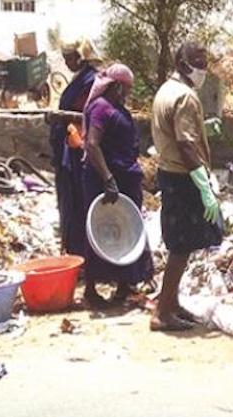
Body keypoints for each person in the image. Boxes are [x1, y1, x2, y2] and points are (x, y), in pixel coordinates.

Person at [150, 42, 223, 331]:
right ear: (182, 63)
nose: (203, 68)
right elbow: (186, 144)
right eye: (197, 62)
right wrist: (204, 187)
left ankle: (171, 304)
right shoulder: (185, 97)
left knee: (179, 245)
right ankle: (162, 313)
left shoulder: (166, 90)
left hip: (169, 173)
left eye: (205, 62)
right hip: (182, 178)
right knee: (181, 247)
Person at [82, 64, 154, 306]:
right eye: (127, 88)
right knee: (99, 232)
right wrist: (108, 178)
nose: (129, 93)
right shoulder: (102, 108)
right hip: (109, 179)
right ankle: (91, 290)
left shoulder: (115, 108)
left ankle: (124, 285)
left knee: (128, 229)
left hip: (124, 176)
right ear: (118, 86)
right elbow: (92, 144)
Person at [50, 39, 99, 257]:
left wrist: (65, 119)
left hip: (79, 149)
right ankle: (75, 251)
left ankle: (83, 254)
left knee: (79, 202)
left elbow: (88, 114)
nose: (68, 63)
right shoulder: (79, 79)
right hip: (68, 147)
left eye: (71, 58)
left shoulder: (91, 81)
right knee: (71, 201)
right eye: (66, 59)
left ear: (82, 57)